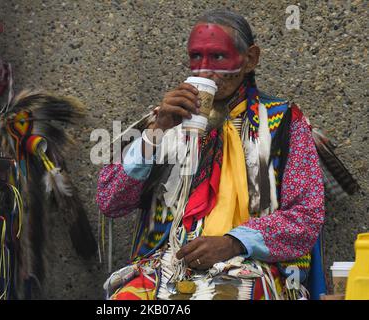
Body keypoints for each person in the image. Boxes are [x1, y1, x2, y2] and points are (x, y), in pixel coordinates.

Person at [96, 9, 326, 300]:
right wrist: (157, 131)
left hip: (250, 267)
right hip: (165, 267)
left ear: (250, 59)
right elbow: (110, 202)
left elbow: (306, 216)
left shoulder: (283, 121)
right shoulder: (166, 119)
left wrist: (234, 242)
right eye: (195, 57)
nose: (203, 70)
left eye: (218, 57)